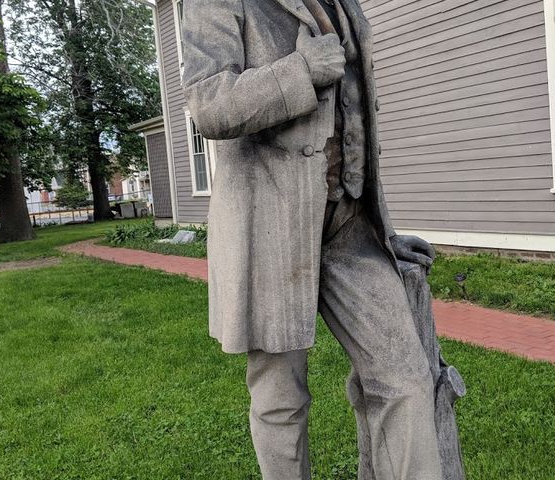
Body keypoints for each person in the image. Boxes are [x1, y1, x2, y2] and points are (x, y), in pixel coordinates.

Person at [181, 0, 443, 478]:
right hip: (270, 230)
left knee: (405, 380)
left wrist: (383, 233)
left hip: (351, 227)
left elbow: (355, 119)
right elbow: (209, 105)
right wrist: (301, 70)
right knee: (280, 399)